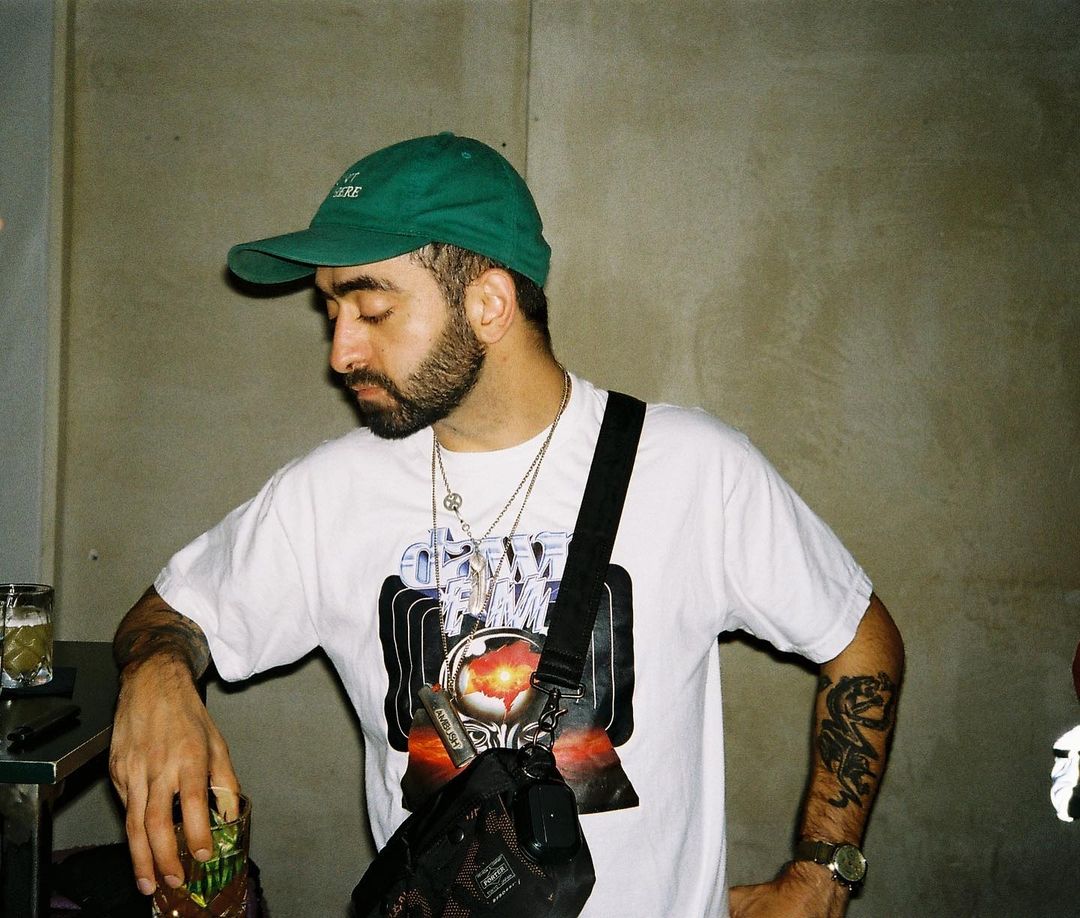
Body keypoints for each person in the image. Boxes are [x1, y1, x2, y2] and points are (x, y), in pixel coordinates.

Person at [110, 132, 905, 917]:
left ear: (488, 305)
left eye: (372, 309)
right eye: (332, 311)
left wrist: (822, 872)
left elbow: (860, 639)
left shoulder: (693, 468)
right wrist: (160, 673)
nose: (341, 351)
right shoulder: (327, 493)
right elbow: (168, 616)